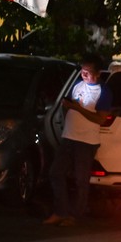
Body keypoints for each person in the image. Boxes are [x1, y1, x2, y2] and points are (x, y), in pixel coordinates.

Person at [45, 53, 112, 226]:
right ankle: (60, 211)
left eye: (88, 72)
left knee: (80, 179)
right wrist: (69, 110)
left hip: (86, 141)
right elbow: (68, 108)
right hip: (69, 137)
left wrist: (77, 108)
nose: (84, 75)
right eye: (82, 71)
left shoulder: (103, 92)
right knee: (55, 172)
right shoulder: (76, 86)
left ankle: (74, 215)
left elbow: (100, 119)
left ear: (97, 73)